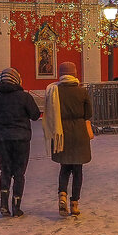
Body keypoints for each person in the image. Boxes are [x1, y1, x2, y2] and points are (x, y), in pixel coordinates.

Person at [0, 67, 41, 217]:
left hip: (1, 139)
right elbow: (35, 115)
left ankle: (3, 205)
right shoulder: (24, 97)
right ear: (17, 80)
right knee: (19, 173)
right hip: (21, 139)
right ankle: (16, 207)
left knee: (5, 171)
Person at [42, 61, 93, 217]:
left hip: (61, 133)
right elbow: (88, 114)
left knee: (64, 168)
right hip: (79, 133)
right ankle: (74, 204)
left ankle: (62, 195)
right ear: (75, 73)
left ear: (61, 73)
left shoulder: (54, 91)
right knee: (78, 171)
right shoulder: (82, 91)